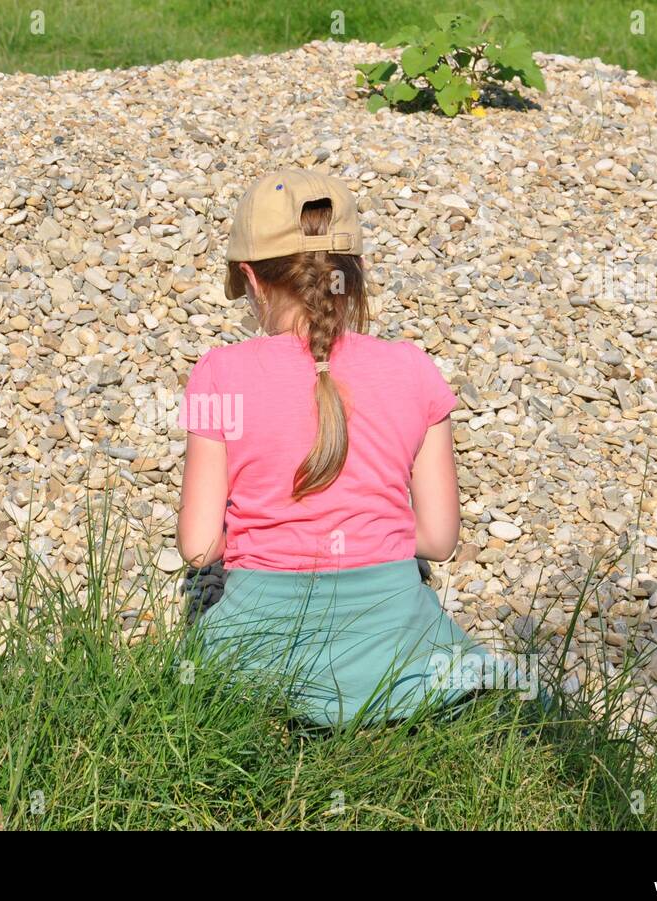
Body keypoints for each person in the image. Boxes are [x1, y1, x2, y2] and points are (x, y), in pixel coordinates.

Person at [176, 168, 491, 727]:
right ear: (358, 272)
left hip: (258, 655)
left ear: (249, 277)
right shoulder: (412, 369)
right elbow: (440, 539)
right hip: (401, 650)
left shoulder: (217, 373)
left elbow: (200, 549)